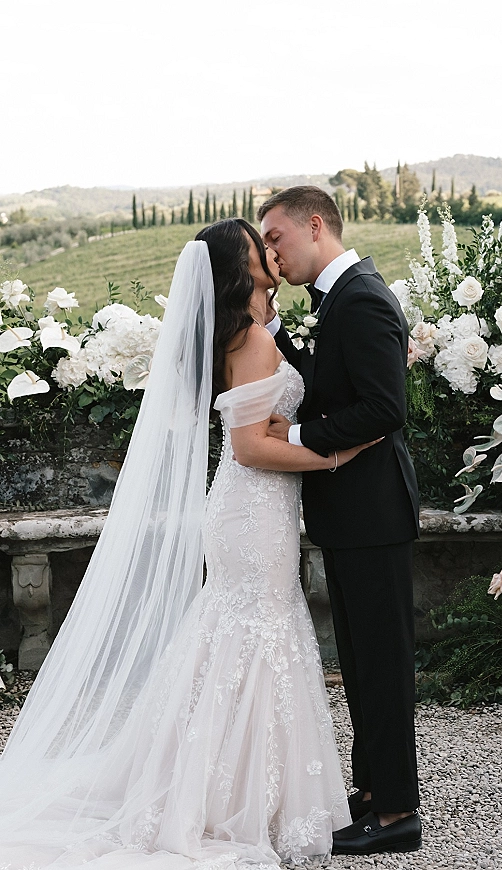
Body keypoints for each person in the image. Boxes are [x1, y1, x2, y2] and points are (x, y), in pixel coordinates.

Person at [0, 219, 379, 868]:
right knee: (255, 630)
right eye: (259, 245)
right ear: (240, 265)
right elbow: (249, 445)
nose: (270, 250)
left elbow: (260, 421)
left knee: (237, 630)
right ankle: (229, 799)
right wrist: (340, 453)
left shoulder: (238, 333)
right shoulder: (254, 338)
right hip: (253, 503)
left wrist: (291, 423)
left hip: (248, 504)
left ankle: (221, 787)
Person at [258, 186, 422, 856]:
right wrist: (272, 332)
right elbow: (332, 386)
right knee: (359, 666)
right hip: (354, 515)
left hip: (373, 513)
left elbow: (386, 409)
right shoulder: (340, 297)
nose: (271, 253)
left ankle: (397, 816)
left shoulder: (361, 297)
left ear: (315, 224)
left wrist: (295, 432)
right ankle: (374, 789)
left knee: (381, 667)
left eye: (275, 237)